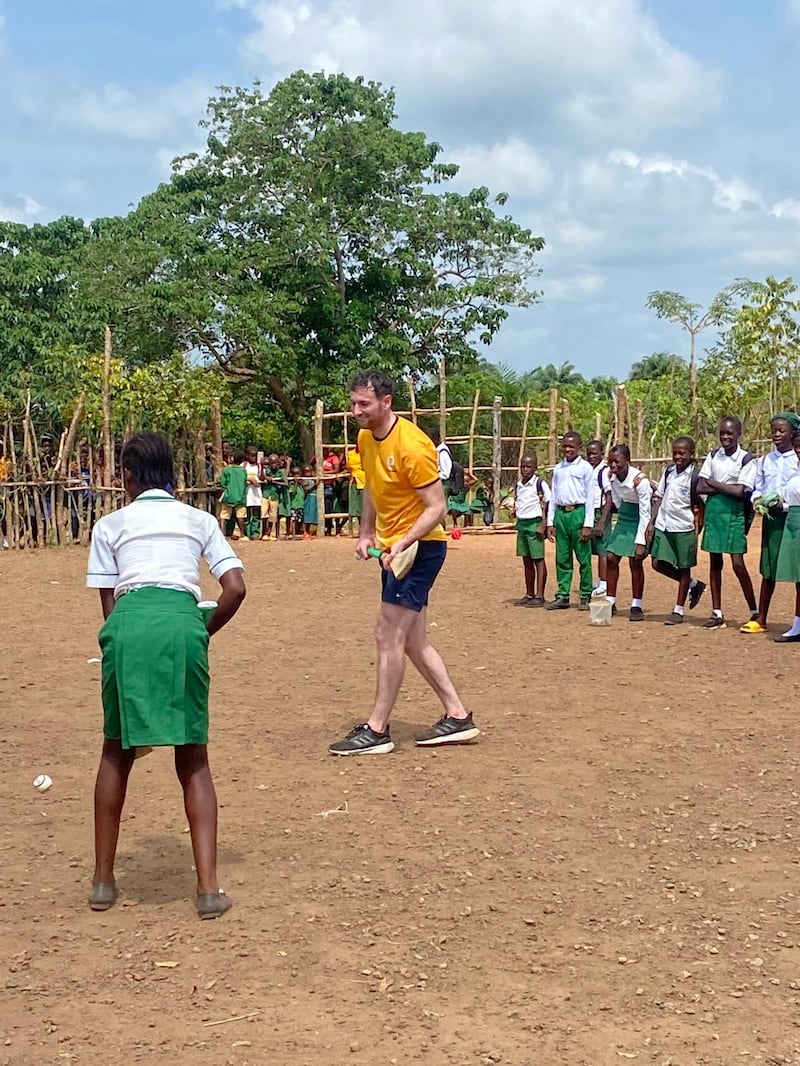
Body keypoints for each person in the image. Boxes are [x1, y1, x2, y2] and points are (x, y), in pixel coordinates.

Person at [85, 432, 246, 918]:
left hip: (129, 626)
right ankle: (208, 890)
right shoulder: (198, 520)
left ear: (129, 476)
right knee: (193, 756)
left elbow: (110, 608)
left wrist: (125, 638)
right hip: (182, 625)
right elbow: (234, 588)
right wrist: (200, 632)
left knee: (117, 749)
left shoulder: (109, 525)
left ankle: (103, 883)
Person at [329, 369, 478, 755]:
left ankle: (377, 729)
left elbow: (437, 508)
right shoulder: (365, 439)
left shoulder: (412, 445)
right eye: (354, 403)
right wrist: (366, 533)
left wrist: (401, 543)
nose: (356, 411)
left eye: (364, 404)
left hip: (421, 548)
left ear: (386, 402)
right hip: (396, 549)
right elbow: (371, 490)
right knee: (412, 641)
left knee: (387, 634)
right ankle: (458, 716)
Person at [696, 416, 758, 630]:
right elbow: (699, 487)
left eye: (729, 433)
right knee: (715, 563)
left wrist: (713, 482)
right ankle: (717, 612)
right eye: (722, 433)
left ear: (739, 435)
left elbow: (741, 491)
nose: (725, 437)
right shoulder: (713, 455)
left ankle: (754, 611)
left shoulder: (747, 459)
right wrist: (726, 486)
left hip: (734, 514)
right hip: (714, 512)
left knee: (738, 564)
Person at [742, 412, 800, 634]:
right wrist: (758, 501)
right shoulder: (765, 460)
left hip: (792, 518)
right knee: (769, 568)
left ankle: (797, 623)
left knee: (797, 572)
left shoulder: (797, 457)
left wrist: (783, 506)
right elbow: (757, 487)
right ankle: (761, 618)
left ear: (792, 433)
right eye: (773, 430)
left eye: (781, 431)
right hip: (772, 521)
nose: (776, 434)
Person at [647, 436, 706, 624]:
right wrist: (651, 522)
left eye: (682, 453)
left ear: (691, 454)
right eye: (675, 453)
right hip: (664, 525)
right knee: (656, 562)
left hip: (684, 526)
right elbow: (659, 497)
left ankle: (678, 610)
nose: (677, 456)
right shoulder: (668, 472)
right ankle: (693, 585)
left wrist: (699, 527)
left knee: (683, 567)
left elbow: (702, 503)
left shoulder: (695, 476)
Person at [600, 444, 652, 621]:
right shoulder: (611, 478)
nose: (613, 465)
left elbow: (646, 512)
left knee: (635, 561)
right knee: (611, 557)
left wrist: (641, 541)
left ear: (628, 461)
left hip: (639, 519)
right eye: (610, 461)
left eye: (617, 462)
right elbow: (616, 500)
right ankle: (610, 600)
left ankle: (636, 605)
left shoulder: (640, 481)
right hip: (624, 518)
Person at [545, 431, 595, 610]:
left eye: (571, 446)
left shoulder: (585, 468)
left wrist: (588, 524)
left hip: (578, 513)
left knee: (583, 558)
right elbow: (553, 495)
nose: (568, 449)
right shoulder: (558, 468)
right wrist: (550, 522)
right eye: (565, 446)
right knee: (562, 557)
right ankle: (563, 595)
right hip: (561, 515)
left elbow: (590, 497)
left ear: (579, 447)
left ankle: (585, 595)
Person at [511, 453, 550, 606]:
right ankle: (529, 593)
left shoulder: (540, 484)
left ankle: (540, 595)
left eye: (528, 466)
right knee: (526, 560)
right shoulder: (519, 485)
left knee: (538, 560)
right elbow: (521, 501)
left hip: (535, 524)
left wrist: (544, 524)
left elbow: (549, 502)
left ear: (535, 468)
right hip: (522, 524)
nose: (525, 470)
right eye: (522, 466)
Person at [773, 429, 800, 642]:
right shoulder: (796, 470)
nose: (799, 451)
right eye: (797, 447)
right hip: (793, 523)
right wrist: (778, 506)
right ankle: (798, 625)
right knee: (798, 579)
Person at [586, 439, 611, 598]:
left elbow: (609, 496)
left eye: (594, 453)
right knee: (591, 549)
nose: (591, 456)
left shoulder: (604, 471)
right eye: (588, 454)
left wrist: (602, 520)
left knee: (603, 550)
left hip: (600, 512)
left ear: (602, 454)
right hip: (589, 512)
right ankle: (598, 580)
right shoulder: (588, 470)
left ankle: (604, 583)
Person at [218, 449, 247, 540]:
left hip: (228, 496)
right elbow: (244, 482)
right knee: (241, 515)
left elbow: (223, 483)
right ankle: (242, 534)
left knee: (224, 515)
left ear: (232, 458)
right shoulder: (243, 470)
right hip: (240, 497)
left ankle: (222, 534)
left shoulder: (227, 470)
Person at [261, 453, 289, 540]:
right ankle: (264, 533)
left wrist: (273, 481)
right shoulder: (267, 470)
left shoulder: (281, 472)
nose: (273, 465)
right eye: (271, 463)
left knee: (273, 516)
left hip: (274, 496)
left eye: (275, 463)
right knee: (264, 514)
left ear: (278, 463)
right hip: (265, 495)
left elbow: (285, 483)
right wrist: (265, 475)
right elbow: (261, 477)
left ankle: (270, 533)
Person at [243, 446, 262, 540]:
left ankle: (255, 533)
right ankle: (247, 533)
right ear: (247, 455)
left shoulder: (259, 466)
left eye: (255, 456)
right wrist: (250, 480)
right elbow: (240, 477)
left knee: (256, 515)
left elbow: (262, 477)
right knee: (247, 516)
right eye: (252, 456)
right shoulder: (243, 465)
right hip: (247, 494)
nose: (253, 458)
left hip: (257, 495)